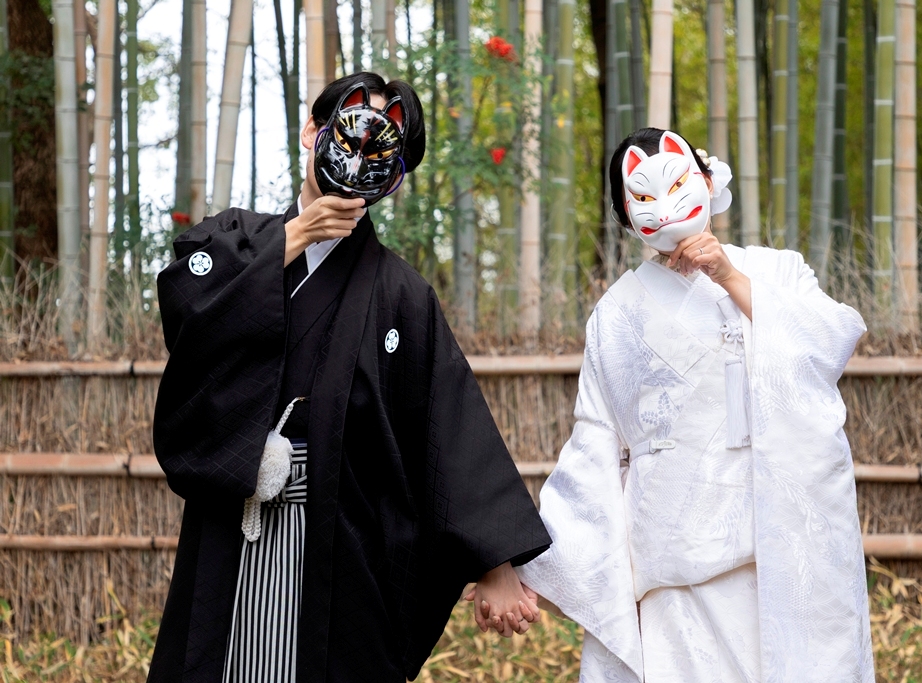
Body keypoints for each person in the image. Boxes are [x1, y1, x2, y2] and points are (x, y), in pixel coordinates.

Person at [148, 72, 550, 683]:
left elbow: (446, 424)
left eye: (380, 149)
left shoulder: (400, 294)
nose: (359, 155)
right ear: (312, 131)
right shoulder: (233, 239)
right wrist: (292, 238)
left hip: (340, 540)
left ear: (393, 176)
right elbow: (187, 311)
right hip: (233, 516)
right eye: (347, 133)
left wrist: (495, 564)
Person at [510, 128, 875, 682]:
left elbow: (828, 345)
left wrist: (728, 275)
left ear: (706, 180)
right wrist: (533, 566)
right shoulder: (617, 314)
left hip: (784, 547)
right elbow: (593, 444)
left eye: (678, 183)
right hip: (673, 562)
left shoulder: (779, 271)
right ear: (625, 216)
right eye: (642, 197)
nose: (665, 205)